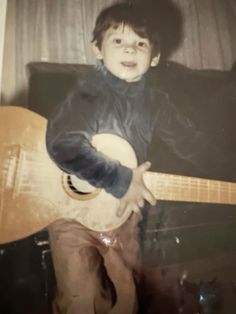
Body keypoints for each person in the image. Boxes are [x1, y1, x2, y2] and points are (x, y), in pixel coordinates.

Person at [46, 2, 235, 314]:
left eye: (140, 43)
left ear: (155, 56)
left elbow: (193, 144)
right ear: (97, 49)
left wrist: (229, 168)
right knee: (80, 296)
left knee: (129, 291)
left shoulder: (156, 102)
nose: (130, 50)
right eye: (118, 41)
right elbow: (62, 143)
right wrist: (120, 179)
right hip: (72, 216)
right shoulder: (86, 93)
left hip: (124, 214)